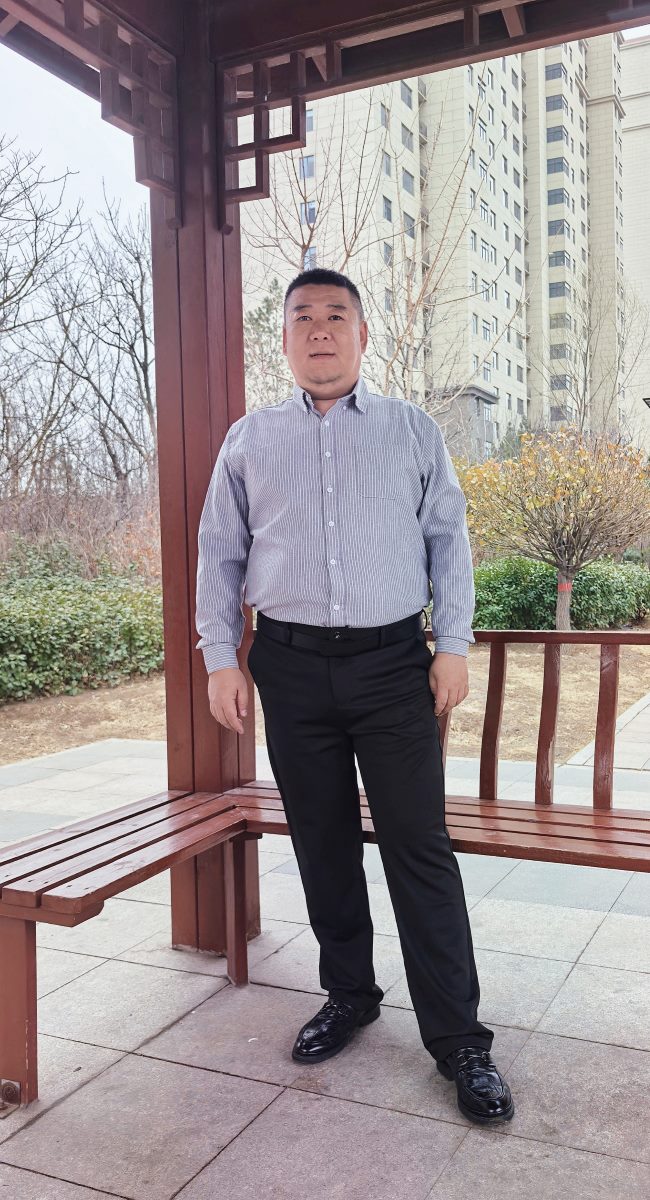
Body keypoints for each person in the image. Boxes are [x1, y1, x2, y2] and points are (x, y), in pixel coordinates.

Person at [195, 267, 514, 1126]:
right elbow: (220, 552)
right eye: (303, 317)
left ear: (362, 335)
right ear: (285, 338)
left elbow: (448, 542)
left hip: (391, 668)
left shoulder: (412, 431)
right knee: (322, 842)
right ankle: (350, 994)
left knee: (419, 847)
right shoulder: (250, 441)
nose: (320, 329)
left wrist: (452, 646)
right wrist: (221, 656)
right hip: (290, 666)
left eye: (336, 315)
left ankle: (460, 1041)